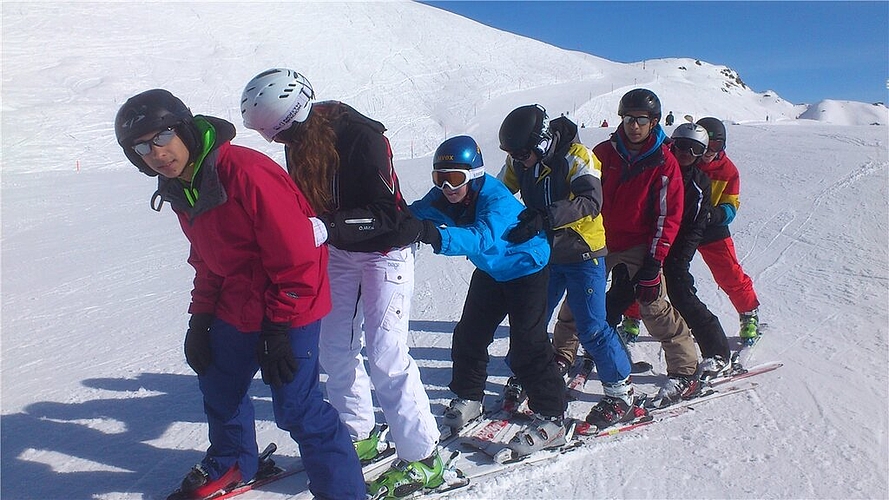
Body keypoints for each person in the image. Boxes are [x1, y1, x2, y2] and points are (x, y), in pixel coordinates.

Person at [114, 89, 365, 499]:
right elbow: (209, 259)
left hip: (291, 304)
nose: (155, 153)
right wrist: (200, 318)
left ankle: (344, 492)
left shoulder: (245, 172)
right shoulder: (183, 185)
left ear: (184, 130)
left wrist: (279, 327)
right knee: (218, 382)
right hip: (237, 303)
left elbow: (298, 256)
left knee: (297, 407)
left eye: (161, 137)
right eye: (141, 147)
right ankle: (232, 462)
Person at [240, 69, 441, 490]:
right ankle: (358, 432)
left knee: (386, 354)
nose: (278, 143)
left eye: (279, 134)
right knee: (335, 349)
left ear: (294, 116)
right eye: (274, 138)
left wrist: (329, 225)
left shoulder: (362, 137)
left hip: (386, 250)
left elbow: (388, 213)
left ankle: (424, 455)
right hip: (341, 252)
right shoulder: (299, 141)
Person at [409, 135, 568, 459]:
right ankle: (469, 397)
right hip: (494, 271)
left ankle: (552, 418)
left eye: (455, 179)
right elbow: (415, 212)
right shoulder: (443, 197)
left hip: (526, 269)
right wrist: (391, 220)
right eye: (440, 178)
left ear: (475, 174)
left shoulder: (495, 198)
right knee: (469, 334)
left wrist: (433, 234)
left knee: (528, 344)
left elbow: (481, 238)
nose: (447, 187)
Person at [496, 104, 637, 427]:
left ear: (543, 142)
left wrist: (544, 217)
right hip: (546, 253)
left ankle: (621, 392)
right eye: (514, 154)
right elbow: (499, 192)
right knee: (530, 320)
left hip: (583, 251)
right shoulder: (522, 159)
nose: (518, 159)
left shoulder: (578, 156)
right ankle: (531, 372)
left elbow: (590, 201)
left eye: (523, 153)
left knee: (590, 325)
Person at [594, 89, 701, 405]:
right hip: (600, 240)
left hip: (640, 244)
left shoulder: (663, 162)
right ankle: (564, 356)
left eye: (641, 119)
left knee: (652, 303)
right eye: (628, 119)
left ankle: (684, 371)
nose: (633, 126)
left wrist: (654, 263)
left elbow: (668, 216)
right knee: (581, 300)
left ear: (654, 121)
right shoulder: (603, 152)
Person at [665, 123, 732, 379]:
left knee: (680, 291)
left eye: (694, 149)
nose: (685, 153)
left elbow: (695, 225)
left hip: (677, 245)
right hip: (649, 243)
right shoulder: (658, 170)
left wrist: (680, 256)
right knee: (624, 288)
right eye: (681, 146)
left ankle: (717, 351)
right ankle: (598, 346)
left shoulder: (698, 182)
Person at [696, 117, 761, 343]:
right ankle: (633, 316)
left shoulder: (727, 170)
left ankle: (749, 312)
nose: (708, 152)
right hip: (681, 226)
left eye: (716, 146)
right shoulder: (684, 159)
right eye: (705, 145)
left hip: (711, 228)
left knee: (729, 272)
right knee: (652, 269)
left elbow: (731, 204)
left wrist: (717, 214)